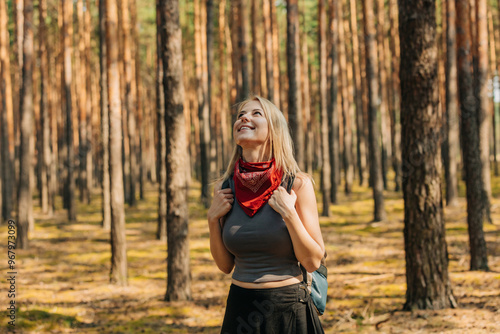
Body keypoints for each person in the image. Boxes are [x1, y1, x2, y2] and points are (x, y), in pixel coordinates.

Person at [207, 95, 326, 333]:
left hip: (287, 309)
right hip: (240, 308)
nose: (244, 118)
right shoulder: (224, 188)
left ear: (274, 130)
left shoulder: (297, 184)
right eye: (241, 115)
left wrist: (290, 214)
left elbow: (313, 261)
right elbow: (224, 266)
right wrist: (212, 220)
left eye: (255, 113)